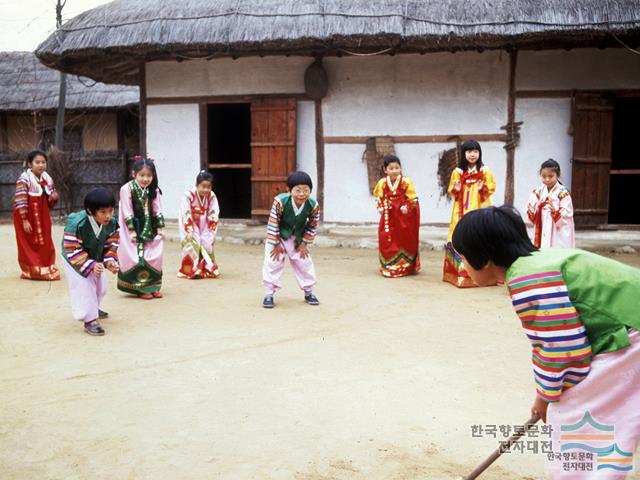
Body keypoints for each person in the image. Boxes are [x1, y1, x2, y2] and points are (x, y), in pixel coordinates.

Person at [452, 206, 640, 478]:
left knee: (573, 415)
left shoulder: (529, 279)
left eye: (463, 258)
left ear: (484, 260)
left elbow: (564, 350)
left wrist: (546, 397)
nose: (462, 266)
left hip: (631, 333)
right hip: (629, 326)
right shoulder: (541, 259)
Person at [61, 188, 119, 336]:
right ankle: (90, 320)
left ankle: (93, 308)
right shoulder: (76, 223)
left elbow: (112, 243)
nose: (108, 216)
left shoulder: (112, 222)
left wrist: (109, 261)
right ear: (90, 211)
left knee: (101, 287)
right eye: (103, 212)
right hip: (74, 259)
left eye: (111, 210)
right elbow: (71, 248)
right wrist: (92, 265)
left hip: (95, 257)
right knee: (84, 288)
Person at [262, 171, 320, 308]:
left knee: (305, 263)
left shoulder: (313, 205)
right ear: (289, 190)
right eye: (298, 190)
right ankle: (269, 294)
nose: (301, 194)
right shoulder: (280, 201)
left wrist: (305, 243)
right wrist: (275, 243)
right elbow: (273, 222)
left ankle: (308, 292)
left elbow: (313, 224)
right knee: (272, 262)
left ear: (310, 191)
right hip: (277, 236)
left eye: (306, 190)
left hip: (298, 238)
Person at [443, 139, 496, 287]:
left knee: (481, 234)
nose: (472, 155)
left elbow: (491, 187)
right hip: (462, 208)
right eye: (469, 151)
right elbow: (452, 191)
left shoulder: (484, 171)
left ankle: (485, 275)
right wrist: (456, 189)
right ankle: (461, 274)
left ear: (479, 153)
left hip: (480, 205)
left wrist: (482, 187)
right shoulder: (457, 172)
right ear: (463, 154)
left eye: (475, 151)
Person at [117, 157, 165, 299]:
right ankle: (141, 288)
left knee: (155, 255)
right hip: (134, 226)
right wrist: (131, 230)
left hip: (151, 225)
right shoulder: (126, 189)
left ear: (153, 176)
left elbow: (158, 208)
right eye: (142, 175)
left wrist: (161, 227)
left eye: (149, 176)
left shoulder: (153, 189)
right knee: (138, 256)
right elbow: (126, 209)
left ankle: (153, 285)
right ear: (134, 174)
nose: (145, 179)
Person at [13, 149, 61, 280]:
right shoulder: (24, 179)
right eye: (37, 162)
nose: (41, 165)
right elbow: (21, 200)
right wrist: (24, 220)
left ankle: (47, 266)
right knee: (29, 241)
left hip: (42, 213)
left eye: (43, 162)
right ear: (30, 164)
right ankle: (31, 270)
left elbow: (50, 201)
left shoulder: (47, 178)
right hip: (27, 214)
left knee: (45, 238)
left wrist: (54, 198)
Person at [372, 155, 420, 277]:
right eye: (391, 168)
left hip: (403, 215)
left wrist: (407, 207)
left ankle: (406, 266)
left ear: (400, 168)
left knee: (404, 238)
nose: (394, 171)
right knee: (387, 237)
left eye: (397, 168)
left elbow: (413, 198)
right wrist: (380, 206)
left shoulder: (406, 182)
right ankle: (388, 265)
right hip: (389, 214)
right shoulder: (382, 183)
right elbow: (379, 197)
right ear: (385, 170)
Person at [178, 171, 220, 279]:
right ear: (197, 185)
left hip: (205, 222)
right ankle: (190, 270)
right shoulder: (188, 195)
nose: (206, 190)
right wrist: (189, 229)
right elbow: (185, 212)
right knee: (193, 243)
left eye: (208, 187)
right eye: (203, 186)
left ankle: (206, 268)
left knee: (207, 242)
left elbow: (213, 211)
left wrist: (211, 226)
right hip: (191, 222)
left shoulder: (212, 196)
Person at [527, 159, 575, 248]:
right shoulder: (538, 192)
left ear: (558, 175)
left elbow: (567, 214)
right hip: (542, 227)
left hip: (557, 232)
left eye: (551, 176)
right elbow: (530, 209)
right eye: (544, 176)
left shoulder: (563, 193)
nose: (547, 179)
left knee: (556, 252)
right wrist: (532, 209)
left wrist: (555, 211)